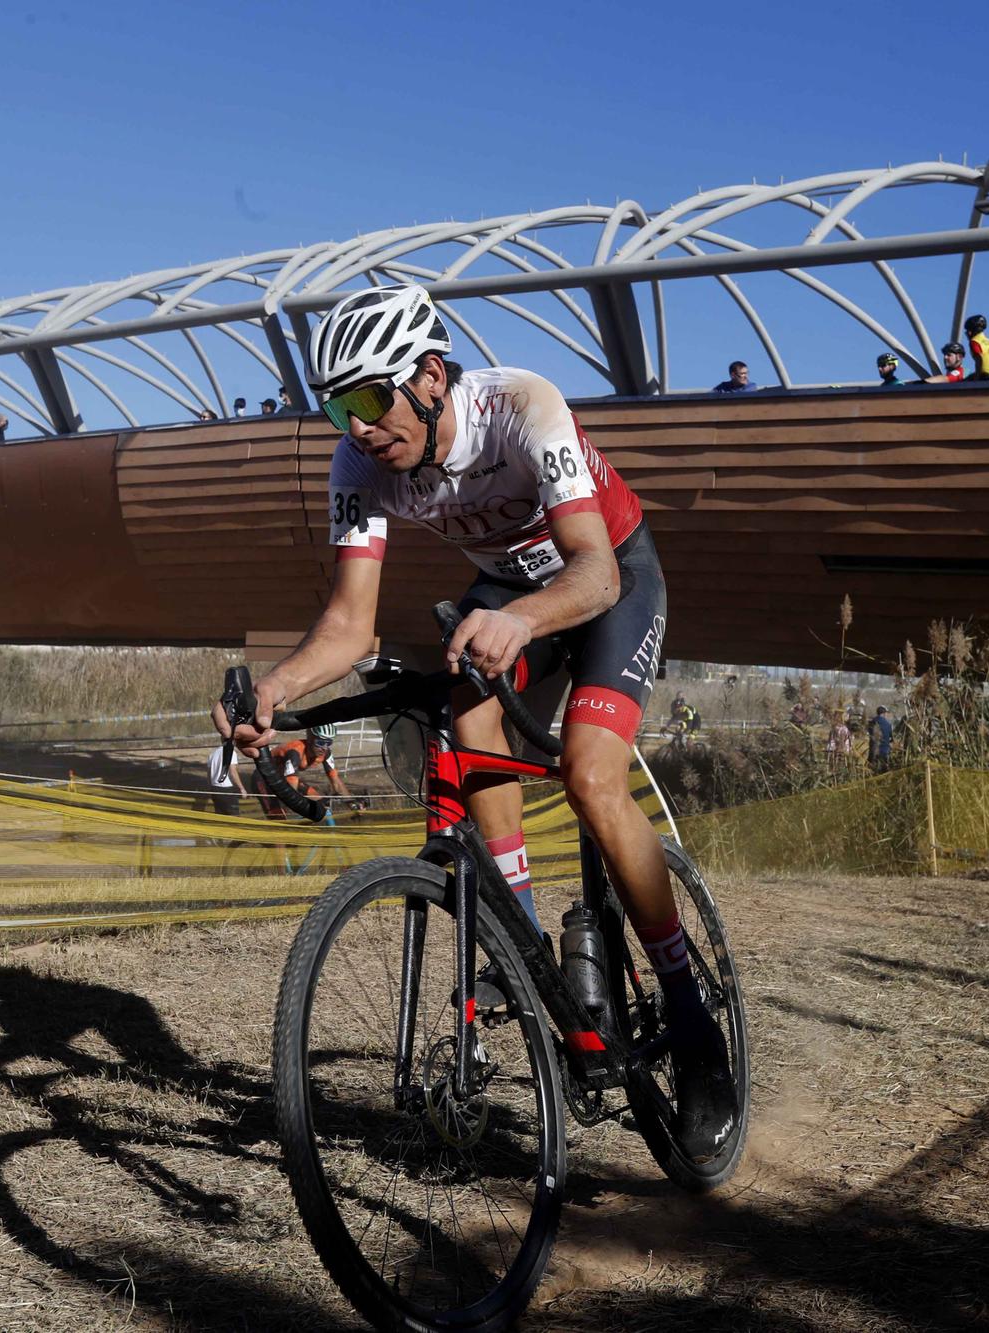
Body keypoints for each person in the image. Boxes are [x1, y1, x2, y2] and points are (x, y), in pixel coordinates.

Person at [214, 283, 736, 1158]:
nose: (360, 428)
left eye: (371, 401)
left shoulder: (522, 406)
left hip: (605, 575)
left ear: (428, 375)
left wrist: (525, 619)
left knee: (589, 776)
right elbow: (348, 625)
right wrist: (274, 688)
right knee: (464, 706)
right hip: (510, 585)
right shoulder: (360, 467)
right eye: (340, 408)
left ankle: (690, 1017)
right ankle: (527, 950)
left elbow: (595, 575)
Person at [251, 723, 353, 816]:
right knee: (279, 816)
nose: (324, 748)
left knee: (322, 803)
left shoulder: (326, 754)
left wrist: (351, 803)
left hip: (283, 777)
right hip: (263, 778)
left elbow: (337, 783)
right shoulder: (295, 751)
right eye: (320, 743)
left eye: (328, 742)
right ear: (310, 739)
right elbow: (291, 787)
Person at [964, 314, 989, 380]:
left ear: (971, 332)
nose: (967, 334)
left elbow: (979, 360)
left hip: (987, 376)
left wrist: (976, 379)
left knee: (965, 381)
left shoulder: (974, 342)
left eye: (967, 331)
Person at [866, 705, 894, 772]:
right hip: (884, 751)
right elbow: (891, 738)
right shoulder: (888, 724)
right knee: (884, 770)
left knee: (872, 770)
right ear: (884, 713)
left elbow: (868, 734)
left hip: (873, 751)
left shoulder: (872, 722)